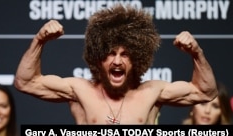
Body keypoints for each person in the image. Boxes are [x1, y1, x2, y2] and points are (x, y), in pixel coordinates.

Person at [14, 4, 218, 125]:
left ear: (138, 57)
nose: (118, 61)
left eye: (125, 54)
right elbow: (26, 82)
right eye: (110, 53)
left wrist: (196, 54)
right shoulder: (79, 90)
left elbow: (205, 92)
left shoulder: (153, 92)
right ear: (98, 57)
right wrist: (39, 40)